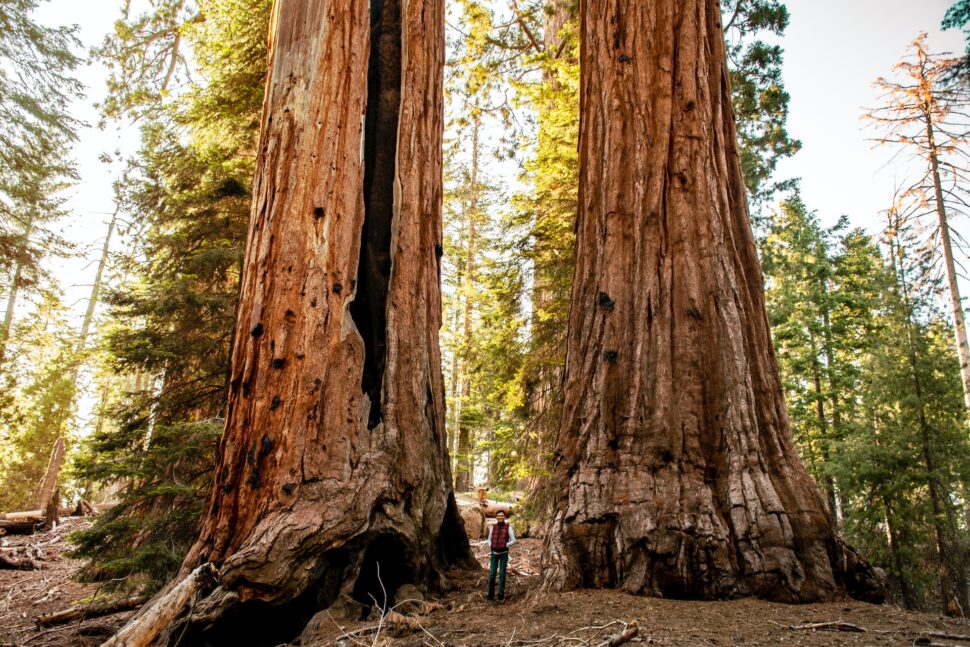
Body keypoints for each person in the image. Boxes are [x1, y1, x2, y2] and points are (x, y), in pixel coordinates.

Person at [485, 510, 515, 602]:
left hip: (504, 554)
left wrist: (506, 545)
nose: (500, 517)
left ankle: (501, 595)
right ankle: (490, 595)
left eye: (502, 515)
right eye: (498, 516)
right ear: (496, 517)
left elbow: (513, 540)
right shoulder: (493, 527)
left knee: (502, 574)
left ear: (504, 517)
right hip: (494, 553)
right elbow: (488, 539)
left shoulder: (508, 527)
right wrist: (490, 545)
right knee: (492, 573)